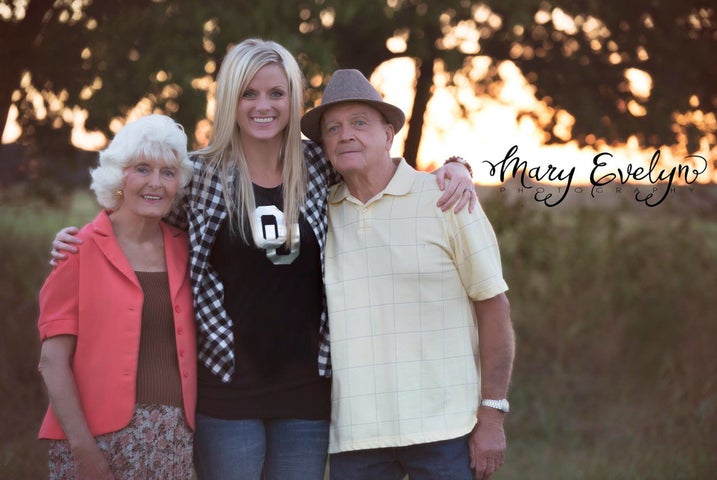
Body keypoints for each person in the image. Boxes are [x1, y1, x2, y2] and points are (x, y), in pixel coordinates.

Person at [48, 39, 475, 480]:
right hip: (226, 391)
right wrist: (79, 239)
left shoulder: (318, 165)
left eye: (276, 93)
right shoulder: (199, 176)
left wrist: (455, 165)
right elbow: (136, 217)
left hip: (307, 394)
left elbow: (380, 170)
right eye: (248, 93)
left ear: (292, 98)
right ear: (230, 99)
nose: (262, 105)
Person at [300, 69, 516, 480]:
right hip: (356, 436)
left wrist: (492, 414)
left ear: (389, 133)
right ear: (324, 145)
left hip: (446, 429)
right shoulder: (315, 213)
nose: (345, 135)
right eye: (333, 128)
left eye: (359, 123)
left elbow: (494, 308)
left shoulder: (447, 199)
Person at [37, 114, 197, 480]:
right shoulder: (77, 250)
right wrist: (83, 451)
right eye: (142, 169)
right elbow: (52, 362)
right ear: (119, 176)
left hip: (172, 441)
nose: (155, 183)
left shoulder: (188, 250)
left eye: (168, 173)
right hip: (94, 442)